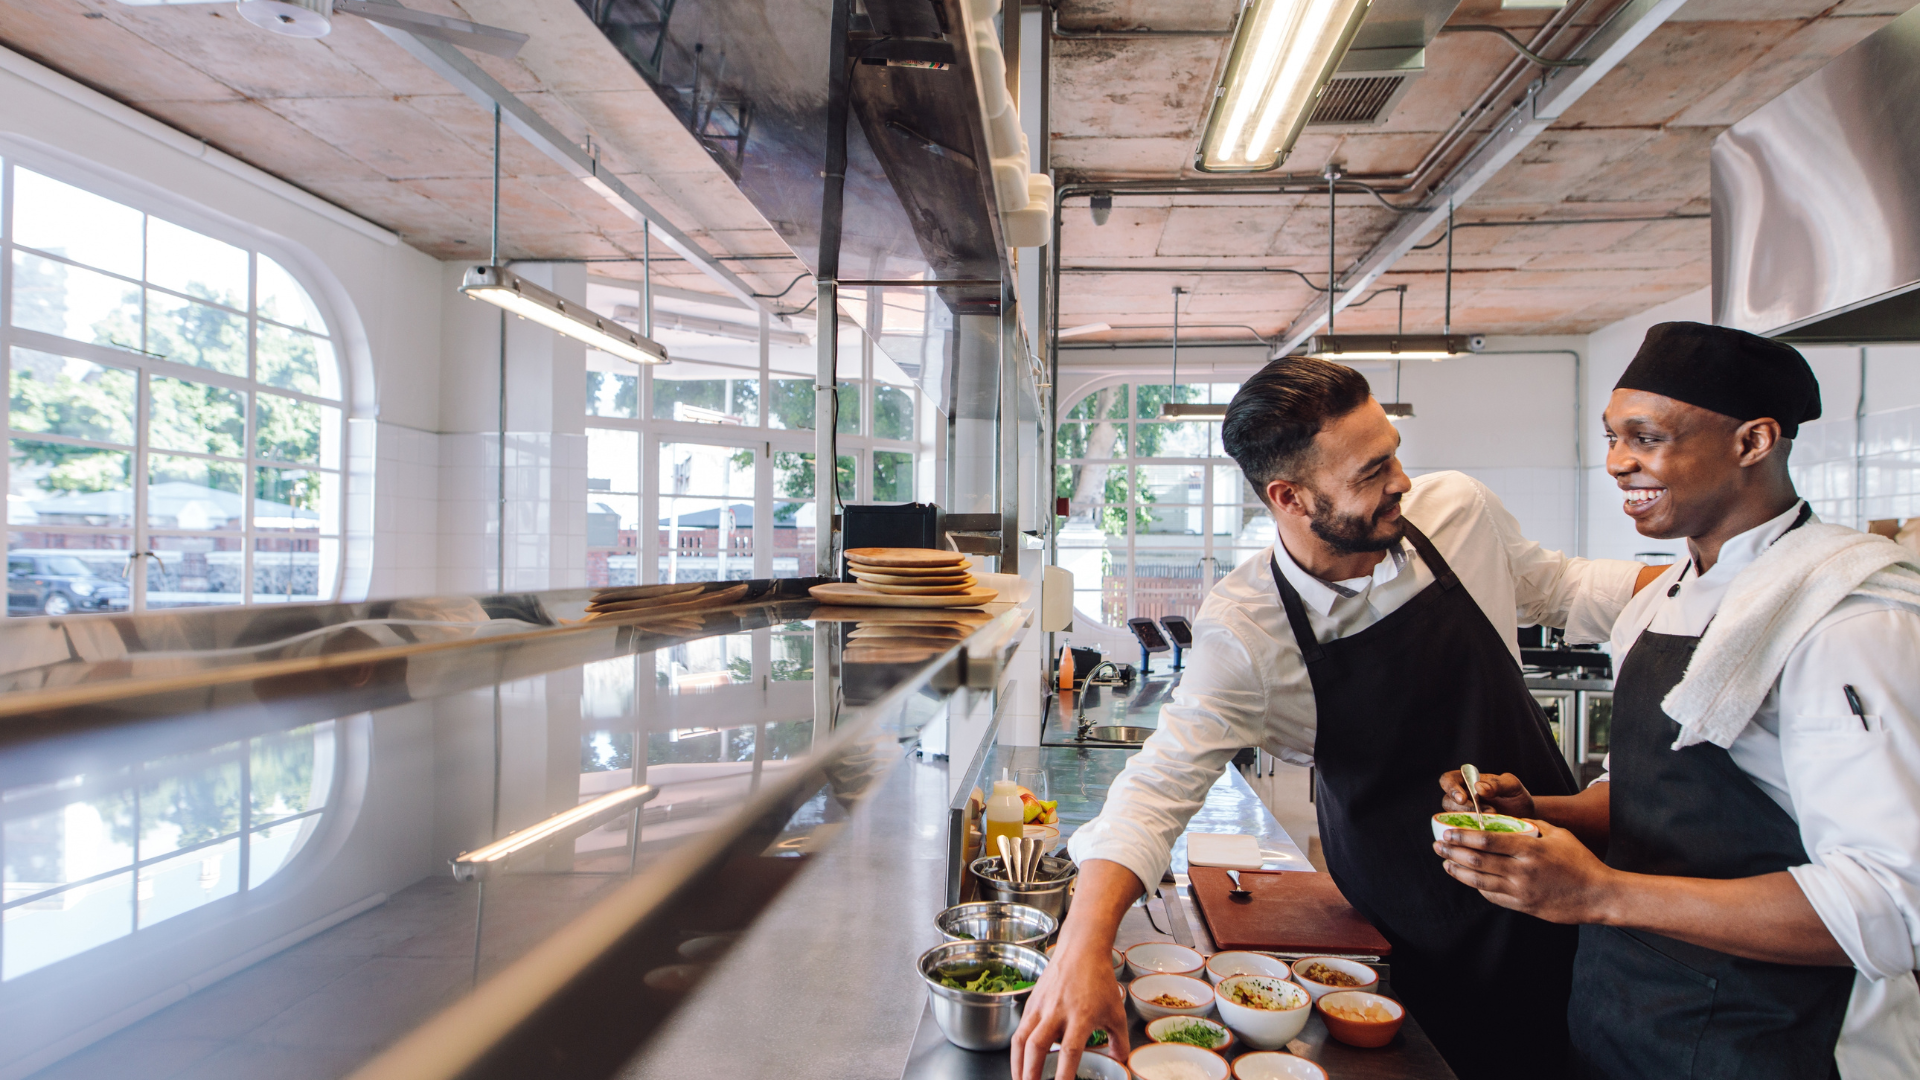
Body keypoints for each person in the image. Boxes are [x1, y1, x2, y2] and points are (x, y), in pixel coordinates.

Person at [1014, 357, 1660, 1080]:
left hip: (1571, 891)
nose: (1403, 482)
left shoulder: (1454, 513)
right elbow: (1157, 788)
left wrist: (1714, 579)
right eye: (1371, 472)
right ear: (1289, 496)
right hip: (1411, 941)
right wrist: (1082, 944)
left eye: (1395, 454)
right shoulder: (1247, 631)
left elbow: (1558, 588)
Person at [1434, 322, 1920, 1079]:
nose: (1618, 463)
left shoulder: (1850, 619)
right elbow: (1657, 796)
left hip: (1777, 1039)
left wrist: (1601, 895)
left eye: (1647, 438)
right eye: (1612, 438)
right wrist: (1538, 814)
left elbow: (1894, 907)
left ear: (1754, 441)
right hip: (1628, 1011)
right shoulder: (1659, 603)